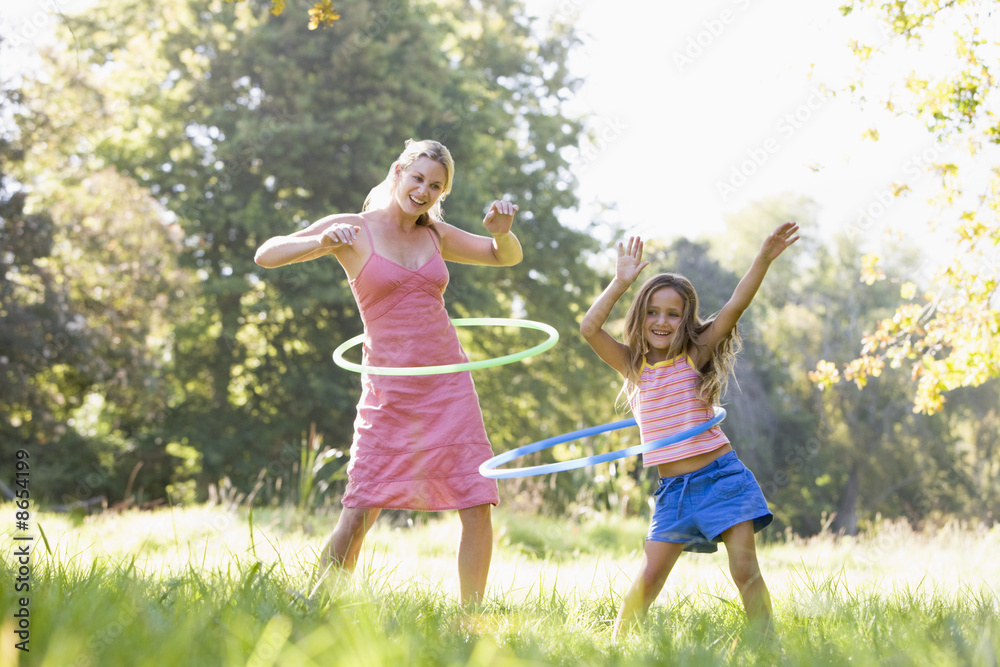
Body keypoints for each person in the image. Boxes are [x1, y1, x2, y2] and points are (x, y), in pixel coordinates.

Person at [254, 139, 522, 606]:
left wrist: (502, 231)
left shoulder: (436, 234)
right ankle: (317, 602)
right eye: (418, 178)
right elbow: (267, 254)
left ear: (442, 193)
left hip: (447, 383)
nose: (424, 190)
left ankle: (471, 620)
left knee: (476, 501)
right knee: (361, 509)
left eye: (436, 186)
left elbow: (506, 257)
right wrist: (319, 242)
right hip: (390, 386)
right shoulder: (353, 230)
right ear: (398, 172)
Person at [579, 222, 800, 637]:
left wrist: (763, 258)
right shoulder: (634, 367)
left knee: (744, 569)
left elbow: (735, 305)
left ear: (685, 320)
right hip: (673, 494)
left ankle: (769, 649)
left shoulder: (693, 356)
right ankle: (617, 648)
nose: (662, 321)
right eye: (653, 312)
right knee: (648, 578)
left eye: (673, 314)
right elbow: (589, 329)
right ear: (641, 316)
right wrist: (620, 282)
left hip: (722, 479)